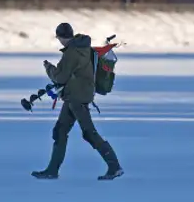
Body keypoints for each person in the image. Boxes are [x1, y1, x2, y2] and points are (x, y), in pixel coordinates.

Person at [31, 22, 124, 180]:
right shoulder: (83, 47)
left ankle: (115, 166)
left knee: (89, 133)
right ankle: (52, 170)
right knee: (60, 131)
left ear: (60, 37)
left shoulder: (72, 52)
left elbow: (61, 77)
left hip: (76, 97)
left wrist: (49, 68)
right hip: (76, 95)